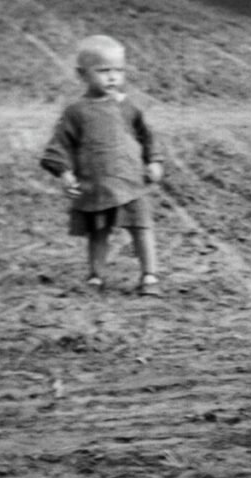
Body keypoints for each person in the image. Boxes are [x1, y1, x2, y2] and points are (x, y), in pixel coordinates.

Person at [40, 34, 164, 296]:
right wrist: (65, 173)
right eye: (103, 71)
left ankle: (149, 275)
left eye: (118, 71)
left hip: (130, 180)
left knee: (141, 227)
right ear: (82, 74)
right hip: (96, 183)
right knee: (99, 231)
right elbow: (60, 145)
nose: (112, 78)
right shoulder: (76, 111)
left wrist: (153, 160)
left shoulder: (129, 107)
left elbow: (146, 135)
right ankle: (96, 276)